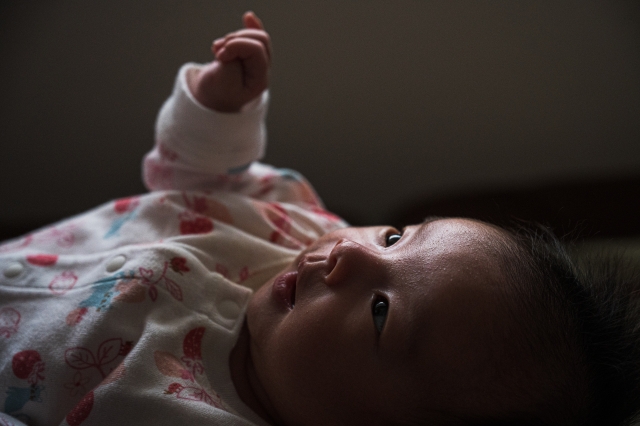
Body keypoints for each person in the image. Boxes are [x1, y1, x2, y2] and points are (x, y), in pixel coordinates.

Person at [1, 11, 640, 426]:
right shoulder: (295, 226)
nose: (351, 255)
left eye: (382, 312)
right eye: (396, 237)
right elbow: (196, 179)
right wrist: (219, 116)